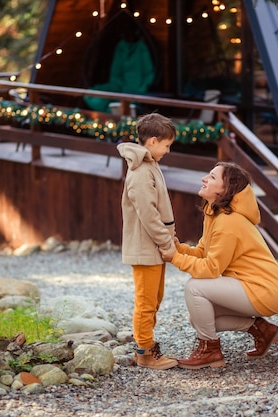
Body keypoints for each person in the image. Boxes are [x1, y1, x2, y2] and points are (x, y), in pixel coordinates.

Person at [160, 162, 278, 369]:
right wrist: (180, 249)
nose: (204, 179)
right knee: (200, 318)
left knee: (195, 287)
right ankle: (261, 329)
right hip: (251, 286)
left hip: (264, 290)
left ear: (225, 189)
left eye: (211, 177)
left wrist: (175, 258)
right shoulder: (215, 213)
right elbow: (203, 251)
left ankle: (210, 351)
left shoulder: (228, 222)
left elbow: (211, 269)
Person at [117, 112, 178, 370]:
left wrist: (169, 235)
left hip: (153, 245)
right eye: (166, 145)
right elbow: (148, 213)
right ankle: (144, 351)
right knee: (146, 301)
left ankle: (146, 345)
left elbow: (159, 210)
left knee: (155, 297)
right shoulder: (141, 171)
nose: (167, 150)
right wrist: (166, 242)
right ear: (152, 141)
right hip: (146, 247)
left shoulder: (150, 165)